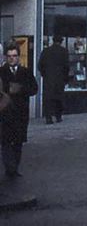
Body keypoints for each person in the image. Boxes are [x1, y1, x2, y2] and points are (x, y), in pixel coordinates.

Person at [0, 43, 39, 177]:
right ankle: (9, 168)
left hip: (21, 112)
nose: (12, 58)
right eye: (9, 56)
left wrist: (21, 89)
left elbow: (34, 89)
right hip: (5, 112)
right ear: (6, 57)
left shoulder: (26, 72)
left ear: (19, 57)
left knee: (18, 141)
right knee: (5, 141)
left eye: (15, 56)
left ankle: (15, 167)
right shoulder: (1, 72)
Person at [38, 36, 70, 124]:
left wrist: (44, 74)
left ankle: (48, 118)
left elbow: (40, 65)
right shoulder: (64, 51)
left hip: (48, 79)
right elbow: (67, 66)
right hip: (60, 79)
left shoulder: (46, 51)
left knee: (48, 98)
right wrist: (65, 78)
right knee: (59, 98)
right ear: (61, 41)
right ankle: (58, 116)